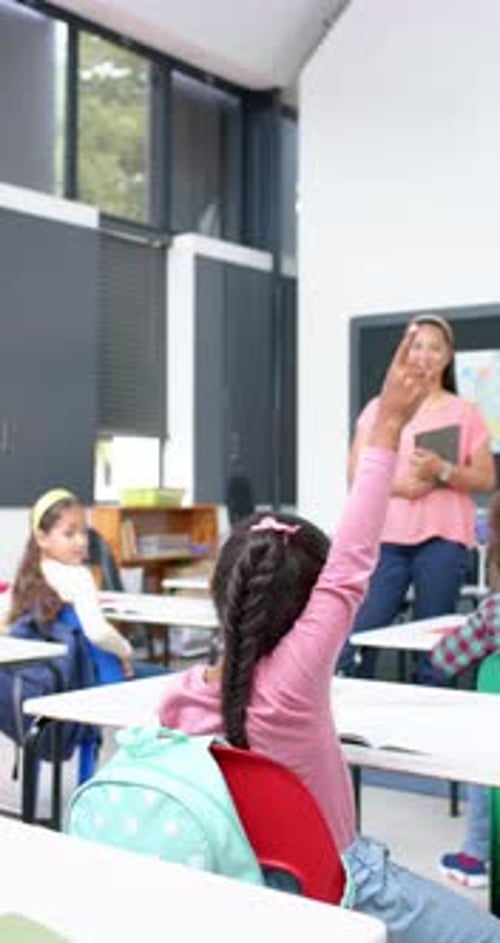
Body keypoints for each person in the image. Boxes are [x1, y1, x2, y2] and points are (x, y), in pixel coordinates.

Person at [158, 325, 500, 942]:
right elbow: (351, 565)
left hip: (242, 890)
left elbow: (344, 572)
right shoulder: (292, 687)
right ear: (310, 606)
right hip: (341, 887)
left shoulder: (179, 698)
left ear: (223, 593)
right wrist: (391, 427)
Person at [338, 314, 495, 681]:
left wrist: (443, 469)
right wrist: (401, 487)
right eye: (417, 345)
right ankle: (354, 700)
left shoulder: (466, 413)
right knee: (363, 628)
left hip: (443, 539)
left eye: (434, 347)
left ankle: (433, 714)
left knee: (433, 638)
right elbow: (355, 476)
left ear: (447, 356)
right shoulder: (380, 408)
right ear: (405, 352)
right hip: (386, 538)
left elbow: (486, 479)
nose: (425, 354)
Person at [430, 491, 500, 889]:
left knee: (483, 772)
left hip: (493, 730)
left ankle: (475, 857)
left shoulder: (494, 611)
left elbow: (445, 659)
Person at [7, 487, 134, 678]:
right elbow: (98, 633)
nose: (82, 541)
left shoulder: (28, 577)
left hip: (52, 681)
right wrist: (125, 651)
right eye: (69, 534)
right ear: (42, 538)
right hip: (94, 677)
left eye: (84, 532)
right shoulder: (78, 576)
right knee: (165, 676)